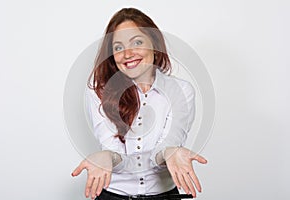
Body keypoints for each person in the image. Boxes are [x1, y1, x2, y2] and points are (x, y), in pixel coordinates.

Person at [72, 7, 207, 200]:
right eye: (118, 47)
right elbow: (113, 149)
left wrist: (170, 152)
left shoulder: (182, 91)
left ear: (154, 43)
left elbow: (169, 143)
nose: (127, 54)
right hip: (113, 195)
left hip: (163, 195)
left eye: (137, 42)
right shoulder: (99, 90)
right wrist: (107, 156)